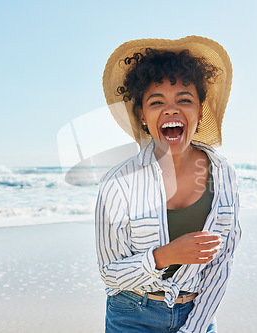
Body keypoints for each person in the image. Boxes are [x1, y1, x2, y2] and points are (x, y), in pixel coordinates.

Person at [95, 35, 241, 333]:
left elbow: (221, 263)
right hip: (131, 316)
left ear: (200, 111)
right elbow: (110, 274)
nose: (171, 110)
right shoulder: (118, 183)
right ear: (143, 116)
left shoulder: (223, 173)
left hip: (197, 314)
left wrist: (195, 328)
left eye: (184, 100)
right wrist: (165, 256)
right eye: (156, 101)